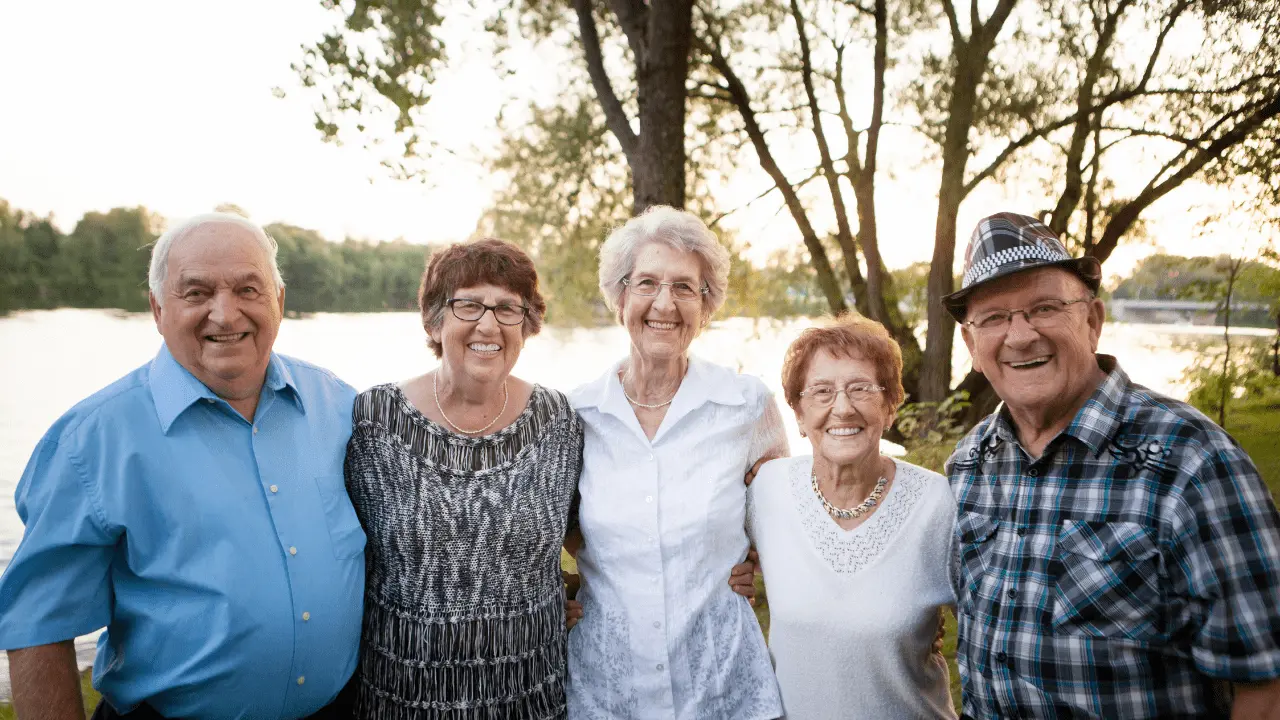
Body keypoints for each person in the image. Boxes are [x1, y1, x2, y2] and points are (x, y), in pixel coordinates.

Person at [0, 214, 363, 719]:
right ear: (157, 307)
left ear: (278, 301)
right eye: (196, 293)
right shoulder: (93, 441)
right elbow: (39, 627)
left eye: (247, 289)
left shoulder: (341, 407)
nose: (225, 313)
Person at [944, 212, 1280, 719]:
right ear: (971, 346)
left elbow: (1265, 683)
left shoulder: (1192, 462)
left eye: (1045, 307)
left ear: (1093, 321)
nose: (1020, 335)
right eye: (993, 317)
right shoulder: (968, 465)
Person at [342, 238, 583, 719]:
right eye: (469, 304)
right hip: (401, 701)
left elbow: (594, 535)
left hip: (530, 699)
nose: (488, 324)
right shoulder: (373, 421)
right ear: (435, 319)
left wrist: (735, 550)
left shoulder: (559, 423)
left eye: (507, 308)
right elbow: (339, 555)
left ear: (527, 324)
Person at [566, 206, 787, 719]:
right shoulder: (576, 414)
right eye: (646, 282)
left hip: (722, 686)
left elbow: (790, 520)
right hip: (607, 690)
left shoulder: (746, 405)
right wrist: (553, 594)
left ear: (706, 307)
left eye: (685, 287)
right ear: (619, 297)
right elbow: (549, 529)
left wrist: (760, 562)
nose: (664, 303)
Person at [747, 315, 956, 719]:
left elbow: (995, 630)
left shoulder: (939, 503)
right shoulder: (767, 490)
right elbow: (708, 547)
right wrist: (736, 570)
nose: (842, 408)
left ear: (891, 407)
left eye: (861, 388)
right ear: (798, 414)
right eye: (821, 391)